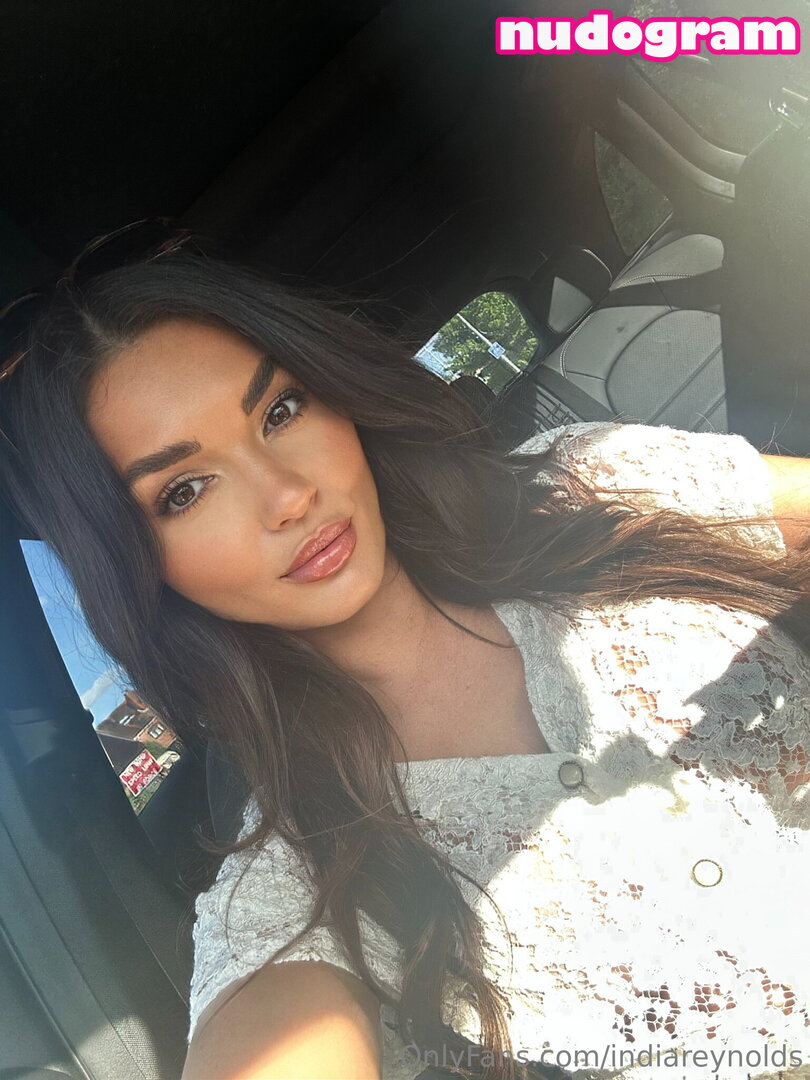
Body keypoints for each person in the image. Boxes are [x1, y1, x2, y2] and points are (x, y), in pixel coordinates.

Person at [1, 243, 809, 1080]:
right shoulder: (297, 876)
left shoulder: (584, 486)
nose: (287, 495)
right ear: (137, 567)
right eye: (184, 491)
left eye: (280, 411)